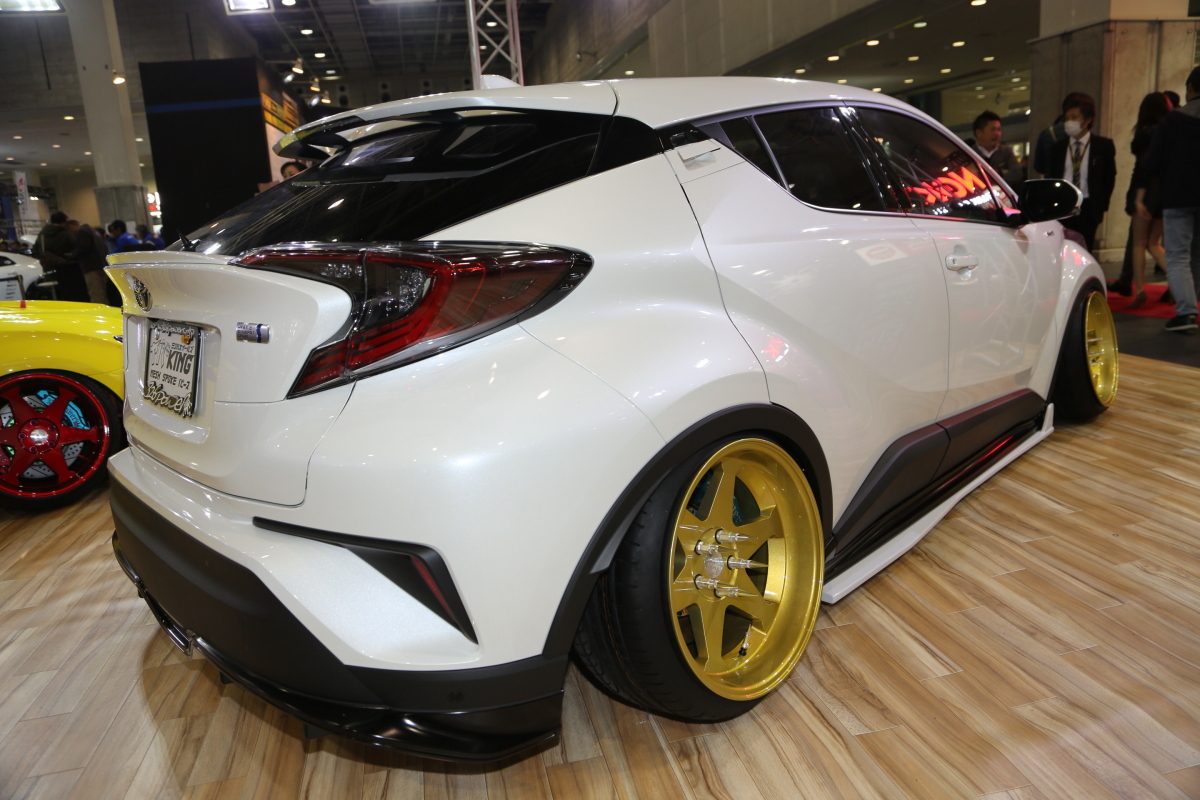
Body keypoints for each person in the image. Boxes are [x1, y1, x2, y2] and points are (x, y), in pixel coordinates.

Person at [1145, 66, 1200, 333]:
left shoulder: (1172, 122)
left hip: (1178, 197)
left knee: (1178, 256)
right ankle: (1194, 303)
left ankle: (1187, 312)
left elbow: (1152, 161)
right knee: (1197, 254)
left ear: (1189, 89)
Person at [1109, 92, 1171, 307]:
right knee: (1154, 243)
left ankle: (1141, 290)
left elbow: (1144, 168)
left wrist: (1138, 198)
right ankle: (1178, 282)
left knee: (1139, 243)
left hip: (1145, 190)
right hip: (1165, 191)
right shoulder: (1168, 132)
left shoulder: (1145, 133)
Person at [1045, 93, 1117, 253]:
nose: (1069, 122)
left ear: (1088, 119)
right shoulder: (1057, 148)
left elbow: (1109, 178)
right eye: (1067, 118)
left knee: (1085, 249)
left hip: (1088, 206)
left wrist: (1101, 207)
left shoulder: (1103, 147)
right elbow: (1051, 176)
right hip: (1062, 205)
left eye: (1074, 117)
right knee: (1061, 248)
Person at [966, 110, 1022, 187]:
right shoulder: (970, 153)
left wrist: (996, 174)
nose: (997, 134)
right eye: (993, 129)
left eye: (999, 130)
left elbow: (1017, 174)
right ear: (979, 133)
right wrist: (1002, 173)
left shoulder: (1006, 151)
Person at [67, 220, 110, 304]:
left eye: (69, 229)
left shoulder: (82, 232)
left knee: (96, 295)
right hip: (101, 266)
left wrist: (70, 256)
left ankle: (99, 312)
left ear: (72, 225)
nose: (70, 232)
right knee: (102, 294)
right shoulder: (93, 231)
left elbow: (83, 248)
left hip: (92, 268)